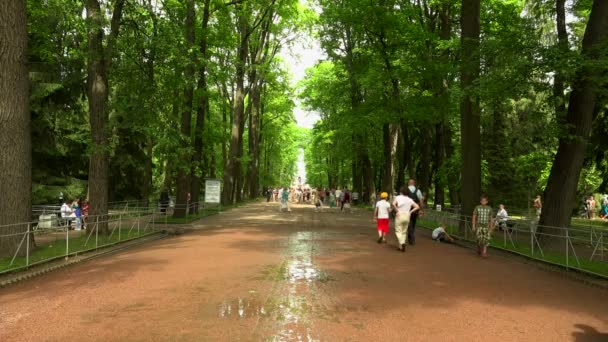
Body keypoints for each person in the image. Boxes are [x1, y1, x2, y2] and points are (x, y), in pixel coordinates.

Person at [392, 186, 421, 252]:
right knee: (404, 232)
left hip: (399, 215)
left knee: (398, 231)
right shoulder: (409, 199)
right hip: (407, 216)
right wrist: (410, 212)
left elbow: (393, 204)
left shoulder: (398, 197)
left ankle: (402, 243)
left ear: (401, 191)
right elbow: (417, 206)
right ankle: (401, 247)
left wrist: (397, 210)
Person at [405, 179, 424, 246]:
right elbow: (421, 201)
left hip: (407, 209)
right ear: (414, 183)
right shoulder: (418, 191)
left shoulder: (405, 190)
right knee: (413, 223)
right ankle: (411, 237)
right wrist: (421, 210)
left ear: (409, 183)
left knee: (409, 223)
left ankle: (411, 237)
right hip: (416, 209)